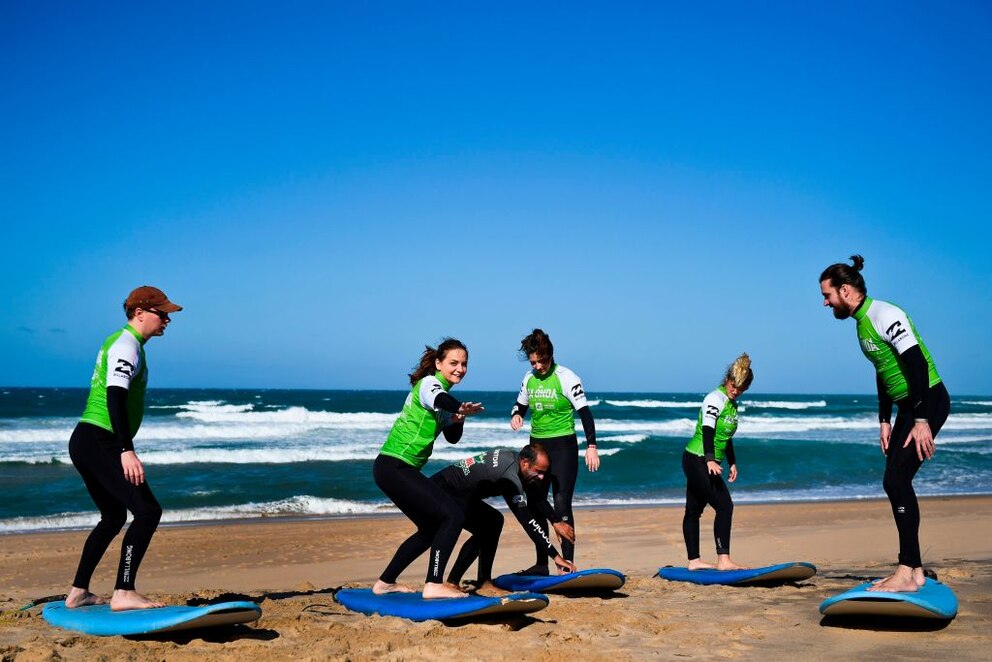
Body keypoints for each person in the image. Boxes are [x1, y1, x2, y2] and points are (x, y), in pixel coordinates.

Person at [820, 255, 951, 593]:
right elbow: (883, 370)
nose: (825, 302)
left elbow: (917, 364)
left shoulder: (885, 315)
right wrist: (884, 419)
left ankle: (907, 569)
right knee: (894, 481)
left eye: (828, 295)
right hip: (907, 408)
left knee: (896, 480)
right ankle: (915, 569)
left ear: (845, 290)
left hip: (928, 401)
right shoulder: (862, 324)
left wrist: (921, 420)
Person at [65, 286, 182, 611]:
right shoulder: (127, 345)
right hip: (101, 440)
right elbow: (115, 395)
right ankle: (124, 591)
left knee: (114, 515)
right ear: (140, 313)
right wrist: (125, 449)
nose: (167, 319)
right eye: (162, 313)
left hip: (87, 440)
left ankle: (78, 592)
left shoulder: (124, 343)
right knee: (147, 512)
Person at [372, 339, 485, 599]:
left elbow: (453, 437)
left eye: (464, 364)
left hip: (396, 469)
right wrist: (457, 407)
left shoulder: (442, 399)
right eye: (453, 363)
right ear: (438, 363)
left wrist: (459, 417)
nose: (460, 369)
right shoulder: (429, 385)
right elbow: (441, 398)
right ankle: (433, 583)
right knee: (452, 515)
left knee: (431, 528)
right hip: (395, 465)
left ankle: (385, 582)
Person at [383, 444, 578, 592]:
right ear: (526, 463)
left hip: (459, 493)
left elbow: (535, 495)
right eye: (540, 471)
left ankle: (472, 581)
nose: (543, 477)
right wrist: (556, 556)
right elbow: (526, 520)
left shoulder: (515, 462)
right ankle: (460, 582)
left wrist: (555, 521)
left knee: (491, 522)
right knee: (488, 523)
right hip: (445, 490)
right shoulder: (508, 478)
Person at [509, 328, 598, 574]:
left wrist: (592, 446)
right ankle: (542, 564)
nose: (537, 366)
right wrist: (516, 415)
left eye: (541, 361)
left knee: (561, 504)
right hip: (537, 448)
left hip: (563, 448)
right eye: (533, 362)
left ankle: (567, 565)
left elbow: (585, 413)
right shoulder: (529, 378)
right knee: (536, 504)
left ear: (550, 355)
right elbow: (520, 404)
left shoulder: (567, 377)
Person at [681, 353, 753, 571]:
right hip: (697, 459)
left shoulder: (732, 405)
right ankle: (723, 560)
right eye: (733, 385)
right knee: (725, 506)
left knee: (693, 510)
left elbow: (726, 437)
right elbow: (708, 429)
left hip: (706, 460)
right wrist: (711, 461)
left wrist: (732, 462)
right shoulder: (715, 398)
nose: (735, 391)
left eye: (740, 388)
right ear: (727, 380)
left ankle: (694, 561)